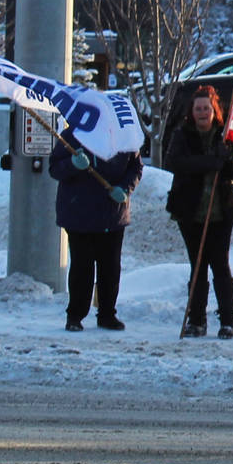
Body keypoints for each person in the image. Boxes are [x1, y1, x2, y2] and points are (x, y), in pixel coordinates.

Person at [165, 85, 233, 339]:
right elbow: (174, 162)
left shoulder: (227, 136)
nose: (202, 112)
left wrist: (229, 159)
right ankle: (197, 321)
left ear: (215, 111)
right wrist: (209, 163)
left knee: (220, 266)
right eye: (198, 108)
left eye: (206, 108)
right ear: (192, 111)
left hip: (222, 213)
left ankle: (228, 321)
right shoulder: (182, 135)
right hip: (190, 212)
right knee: (197, 266)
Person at [51, 136, 142, 332]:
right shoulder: (73, 136)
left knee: (110, 267)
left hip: (112, 212)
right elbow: (55, 168)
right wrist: (72, 164)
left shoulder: (123, 136)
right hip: (78, 212)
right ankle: (75, 314)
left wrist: (125, 188)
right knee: (82, 266)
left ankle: (107, 313)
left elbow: (136, 167)